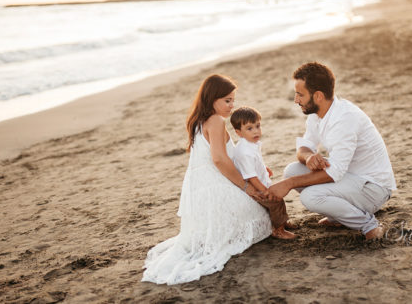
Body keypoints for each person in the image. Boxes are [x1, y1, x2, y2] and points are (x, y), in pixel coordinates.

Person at [142, 74, 273, 285]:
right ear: (212, 98)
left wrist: (255, 169)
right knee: (263, 218)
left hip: (199, 190)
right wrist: (247, 186)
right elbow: (220, 161)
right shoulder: (216, 120)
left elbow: (227, 157)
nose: (232, 105)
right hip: (214, 186)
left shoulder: (198, 120)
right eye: (227, 100)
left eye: (233, 100)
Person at [268, 62, 396, 240]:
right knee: (292, 170)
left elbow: (335, 172)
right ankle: (340, 216)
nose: (296, 100)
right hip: (351, 179)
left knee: (310, 197)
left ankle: (369, 225)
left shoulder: (344, 119)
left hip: (373, 188)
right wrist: (308, 156)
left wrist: (289, 184)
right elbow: (304, 147)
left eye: (300, 94)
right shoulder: (317, 112)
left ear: (318, 96)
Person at [230, 106, 296, 240]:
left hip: (260, 181)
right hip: (254, 188)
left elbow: (254, 164)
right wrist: (265, 191)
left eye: (258, 126)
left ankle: (283, 222)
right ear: (238, 132)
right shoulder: (244, 152)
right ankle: (278, 230)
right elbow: (251, 177)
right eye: (249, 128)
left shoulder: (250, 144)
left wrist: (264, 168)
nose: (256, 131)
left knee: (278, 198)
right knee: (275, 201)